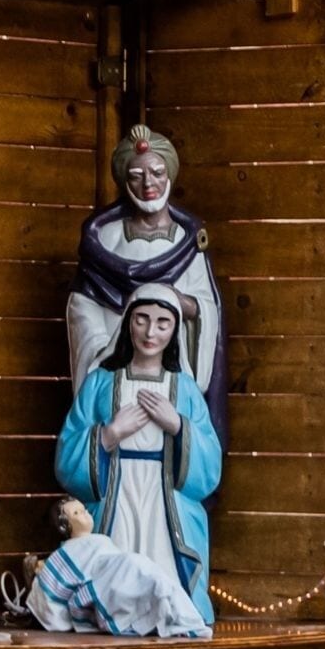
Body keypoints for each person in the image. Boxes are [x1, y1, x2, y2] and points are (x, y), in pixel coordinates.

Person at [57, 281, 222, 624]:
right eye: (141, 319)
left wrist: (177, 425)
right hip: (116, 497)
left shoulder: (185, 389)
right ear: (128, 322)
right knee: (116, 572)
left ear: (175, 330)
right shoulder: (100, 383)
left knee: (164, 580)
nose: (150, 333)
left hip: (165, 501)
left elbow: (209, 465)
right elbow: (68, 451)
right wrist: (109, 434)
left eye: (163, 323)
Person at [65, 124, 227, 436]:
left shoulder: (186, 241)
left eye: (157, 173)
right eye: (136, 176)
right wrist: (105, 350)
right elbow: (83, 302)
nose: (148, 184)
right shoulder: (106, 239)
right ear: (125, 181)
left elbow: (206, 308)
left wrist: (176, 301)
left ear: (169, 175)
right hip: (115, 373)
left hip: (168, 376)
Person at [24, 497, 210, 639]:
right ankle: (175, 614)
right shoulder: (67, 552)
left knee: (152, 574)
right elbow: (54, 584)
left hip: (120, 575)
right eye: (76, 513)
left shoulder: (101, 540)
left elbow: (113, 561)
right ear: (64, 526)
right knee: (139, 567)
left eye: (83, 509)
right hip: (105, 587)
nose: (85, 513)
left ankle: (183, 618)